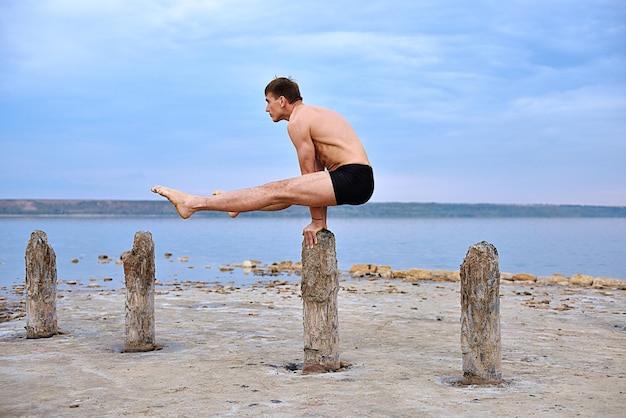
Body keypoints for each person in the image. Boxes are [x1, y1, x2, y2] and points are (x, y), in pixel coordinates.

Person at [152, 77, 374, 248]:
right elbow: (315, 176)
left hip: (352, 177)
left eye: (268, 102)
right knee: (286, 195)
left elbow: (308, 174)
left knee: (277, 189)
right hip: (357, 179)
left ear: (282, 101)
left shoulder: (298, 121)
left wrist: (317, 222)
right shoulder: (314, 115)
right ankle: (233, 205)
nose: (267, 109)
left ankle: (192, 203)